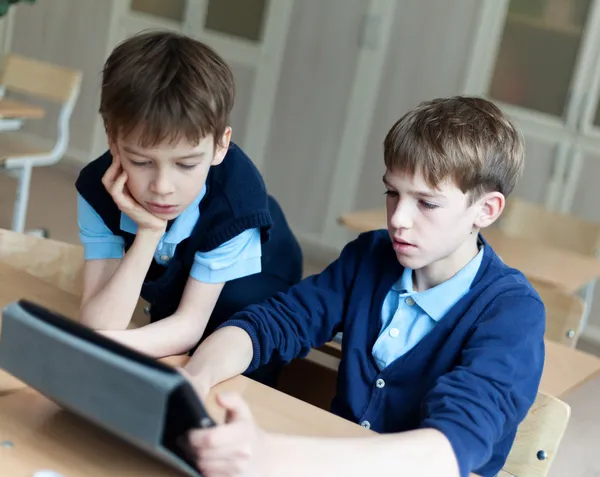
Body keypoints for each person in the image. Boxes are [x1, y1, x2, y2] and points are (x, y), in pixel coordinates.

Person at [180, 96, 546, 477]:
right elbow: (271, 324)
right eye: (393, 193)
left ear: (486, 210)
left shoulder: (513, 314)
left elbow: (447, 452)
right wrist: (195, 378)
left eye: (427, 204)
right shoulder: (369, 256)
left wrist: (275, 456)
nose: (398, 219)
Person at [75, 31, 303, 387]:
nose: (162, 186)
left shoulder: (237, 201)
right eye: (140, 161)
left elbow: (189, 326)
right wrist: (149, 234)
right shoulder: (97, 187)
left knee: (227, 363)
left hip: (256, 281)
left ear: (219, 146)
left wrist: (98, 345)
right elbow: (99, 321)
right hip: (181, 267)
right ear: (113, 141)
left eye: (185, 165)